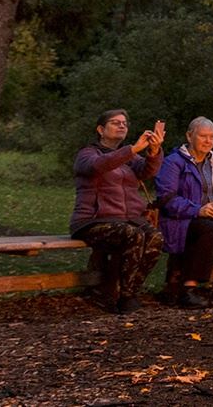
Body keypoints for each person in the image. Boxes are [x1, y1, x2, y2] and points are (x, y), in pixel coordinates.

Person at [69, 109, 166, 314]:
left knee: (155, 237)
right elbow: (98, 166)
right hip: (91, 221)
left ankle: (128, 292)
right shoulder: (87, 154)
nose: (122, 125)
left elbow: (148, 171)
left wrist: (154, 150)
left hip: (127, 220)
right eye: (115, 123)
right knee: (133, 234)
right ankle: (124, 297)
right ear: (100, 129)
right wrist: (132, 149)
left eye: (124, 123)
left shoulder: (130, 157)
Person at [156, 117, 213, 308]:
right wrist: (198, 210)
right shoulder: (174, 162)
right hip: (182, 219)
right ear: (189, 136)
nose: (208, 141)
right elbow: (166, 198)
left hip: (212, 215)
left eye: (211, 137)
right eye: (203, 136)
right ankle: (189, 289)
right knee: (209, 229)